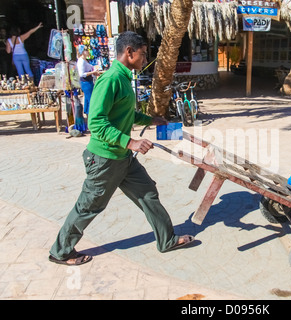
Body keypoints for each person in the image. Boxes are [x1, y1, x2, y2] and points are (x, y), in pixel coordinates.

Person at [48, 31, 194, 266]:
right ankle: (61, 251)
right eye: (143, 54)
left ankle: (166, 240)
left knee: (148, 193)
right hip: (105, 159)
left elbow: (125, 113)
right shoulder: (111, 79)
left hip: (123, 157)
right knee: (89, 206)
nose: (145, 59)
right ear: (129, 52)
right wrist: (131, 142)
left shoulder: (125, 78)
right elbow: (96, 122)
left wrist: (150, 120)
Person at [77, 45, 99, 116]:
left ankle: (88, 115)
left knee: (87, 99)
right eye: (86, 50)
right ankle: (92, 117)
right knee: (91, 99)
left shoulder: (84, 60)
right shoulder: (81, 61)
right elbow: (82, 74)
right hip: (85, 83)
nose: (88, 51)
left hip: (88, 81)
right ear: (83, 52)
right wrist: (93, 72)